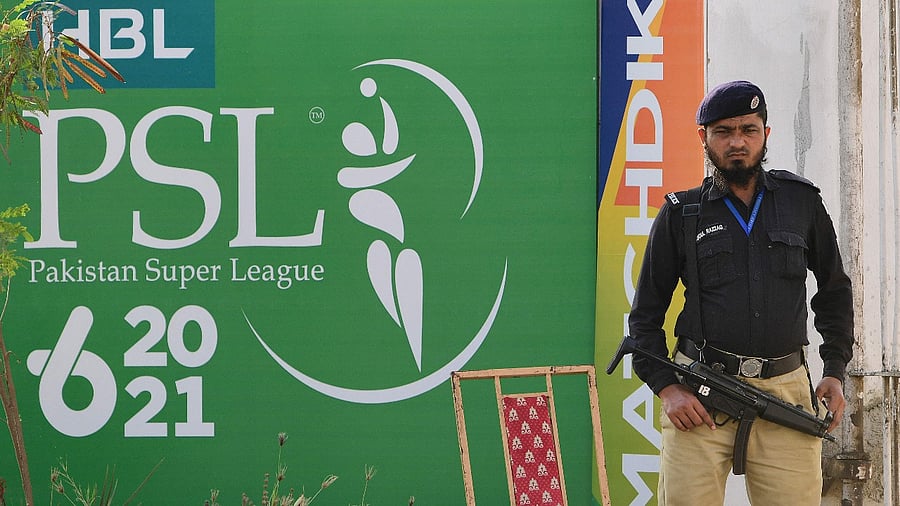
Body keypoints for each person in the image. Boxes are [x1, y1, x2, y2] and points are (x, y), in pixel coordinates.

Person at [628, 80, 854, 505]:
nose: (737, 142)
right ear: (704, 138)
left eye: (748, 130)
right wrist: (668, 388)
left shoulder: (801, 202)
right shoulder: (681, 213)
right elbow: (644, 318)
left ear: (766, 134)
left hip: (785, 393)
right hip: (699, 392)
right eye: (724, 132)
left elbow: (834, 291)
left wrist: (835, 368)